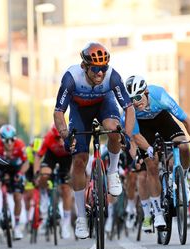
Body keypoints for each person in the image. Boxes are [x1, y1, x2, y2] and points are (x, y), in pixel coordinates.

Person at [53, 42, 135, 239]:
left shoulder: (112, 76)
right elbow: (58, 112)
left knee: (114, 129)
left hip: (104, 105)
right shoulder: (71, 78)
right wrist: (65, 134)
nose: (100, 73)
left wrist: (128, 135)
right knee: (79, 160)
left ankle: (113, 171)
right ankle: (81, 217)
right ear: (84, 66)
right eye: (96, 69)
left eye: (103, 68)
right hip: (80, 111)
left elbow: (129, 108)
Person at [125, 75, 190, 230]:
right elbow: (135, 136)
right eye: (132, 99)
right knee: (151, 164)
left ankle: (184, 177)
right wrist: (148, 150)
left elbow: (186, 121)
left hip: (161, 118)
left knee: (183, 147)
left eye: (138, 97)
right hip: (143, 127)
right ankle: (157, 214)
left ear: (146, 92)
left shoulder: (160, 95)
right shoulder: (130, 110)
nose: (136, 101)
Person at [0, 124, 29, 240]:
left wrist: (20, 174)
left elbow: (26, 163)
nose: (9, 143)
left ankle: (16, 226)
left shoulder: (20, 144)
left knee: (17, 197)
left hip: (15, 169)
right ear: (1, 139)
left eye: (12, 140)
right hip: (0, 167)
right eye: (6, 140)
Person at [33, 125, 73, 239]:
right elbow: (38, 156)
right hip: (52, 156)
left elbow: (76, 158)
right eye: (57, 138)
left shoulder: (71, 138)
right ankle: (44, 196)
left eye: (62, 138)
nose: (60, 141)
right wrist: (36, 173)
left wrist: (72, 174)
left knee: (66, 189)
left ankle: (66, 223)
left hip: (67, 158)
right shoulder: (48, 137)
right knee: (44, 175)